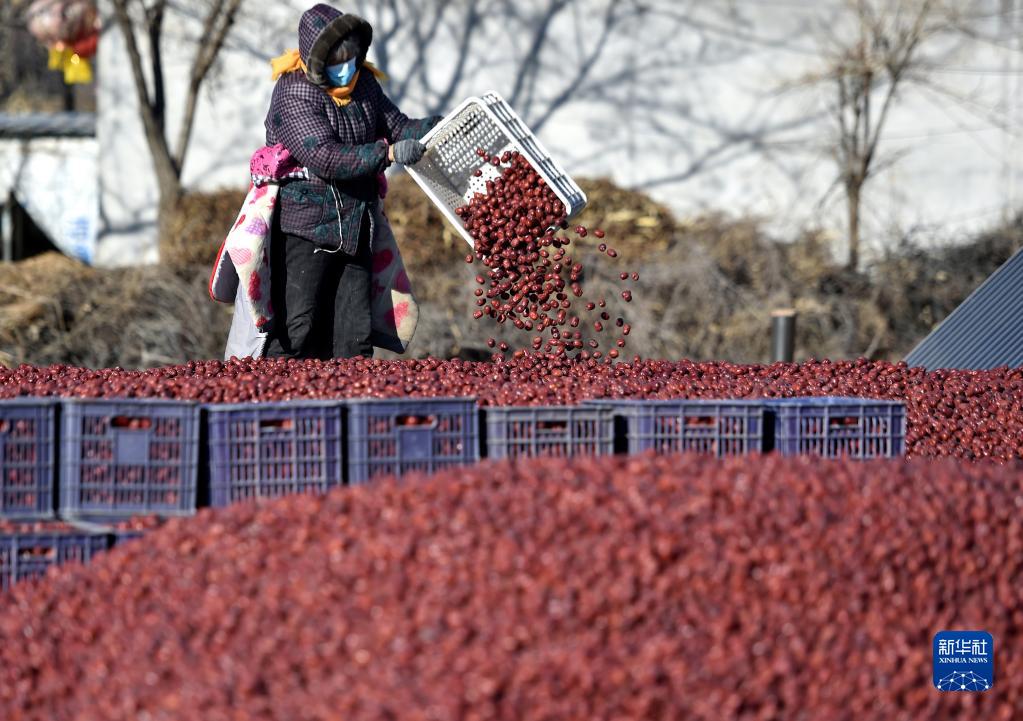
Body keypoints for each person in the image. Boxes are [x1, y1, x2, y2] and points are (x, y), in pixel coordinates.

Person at [263, 3, 440, 359]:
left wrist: (438, 127)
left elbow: (398, 127)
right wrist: (388, 154)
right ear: (316, 62)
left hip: (355, 226)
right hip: (307, 230)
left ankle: (349, 393)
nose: (347, 70)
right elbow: (325, 157)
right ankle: (276, 391)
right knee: (298, 329)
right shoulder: (294, 93)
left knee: (354, 337)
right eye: (336, 62)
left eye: (352, 60)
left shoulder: (364, 84)